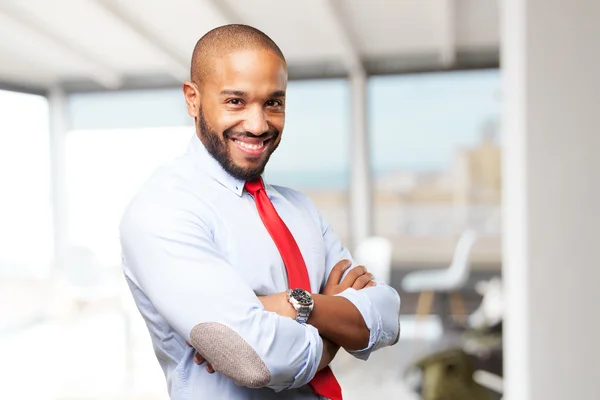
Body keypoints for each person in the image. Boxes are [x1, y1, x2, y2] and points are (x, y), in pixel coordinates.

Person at [119, 24, 401, 400]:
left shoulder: (300, 208)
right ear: (192, 99)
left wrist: (295, 304)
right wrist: (335, 331)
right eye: (235, 101)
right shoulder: (163, 212)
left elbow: (385, 316)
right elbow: (255, 359)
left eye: (273, 102)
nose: (258, 124)